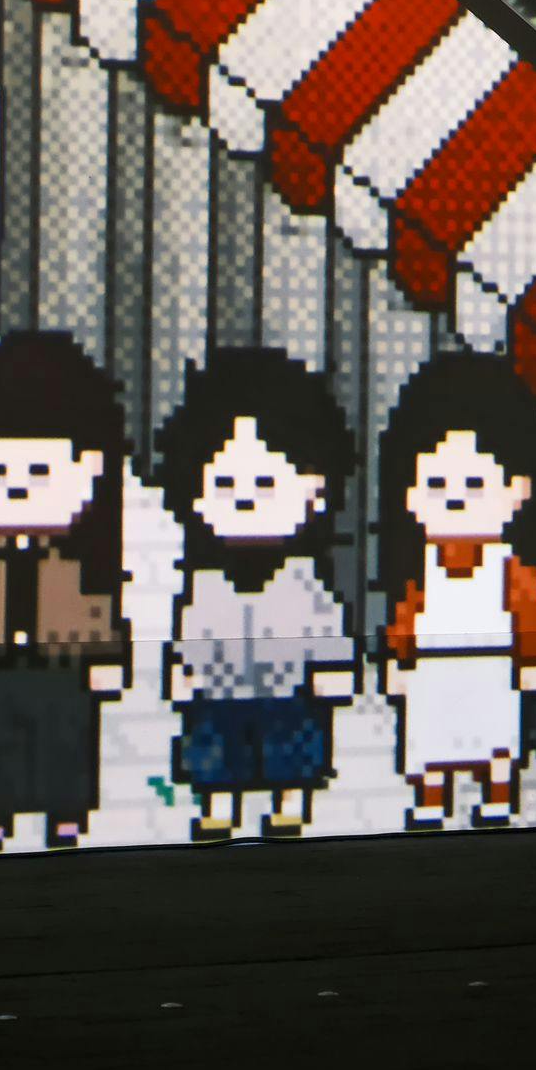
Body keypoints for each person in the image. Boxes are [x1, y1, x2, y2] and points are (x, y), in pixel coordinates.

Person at [0, 331, 129, 853]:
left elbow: (103, 605)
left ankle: (66, 818)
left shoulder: (85, 563)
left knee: (65, 738)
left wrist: (107, 660)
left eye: (40, 471)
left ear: (89, 473)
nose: (17, 487)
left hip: (65, 663)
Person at [156, 347, 357, 843]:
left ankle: (290, 805)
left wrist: (331, 669)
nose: (244, 500)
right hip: (219, 693)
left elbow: (323, 626)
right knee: (214, 752)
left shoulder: (303, 577)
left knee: (293, 750)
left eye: (265, 483)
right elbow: (194, 629)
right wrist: (184, 670)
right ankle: (218, 810)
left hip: (288, 692)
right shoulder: (205, 581)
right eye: (225, 483)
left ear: (314, 489)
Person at [376, 352, 536, 830]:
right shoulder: (422, 568)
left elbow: (530, 614)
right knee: (431, 741)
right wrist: (399, 660)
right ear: (410, 494)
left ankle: (497, 797)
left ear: (518, 490)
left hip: (491, 672)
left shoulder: (508, 568)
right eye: (437, 483)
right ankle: (431, 800)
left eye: (475, 483)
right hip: (433, 674)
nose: (455, 498)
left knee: (494, 739)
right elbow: (406, 615)